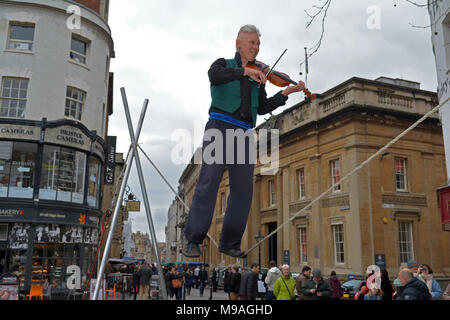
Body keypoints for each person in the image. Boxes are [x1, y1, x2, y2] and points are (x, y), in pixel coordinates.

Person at [182, 24, 306, 259]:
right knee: (209, 182)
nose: (256, 48)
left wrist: (286, 93)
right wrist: (245, 72)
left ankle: (229, 241)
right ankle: (193, 239)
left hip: (244, 133)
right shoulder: (223, 65)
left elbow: (263, 107)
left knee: (243, 190)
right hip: (219, 126)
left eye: (258, 44)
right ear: (239, 43)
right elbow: (213, 76)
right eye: (252, 43)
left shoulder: (258, 77)